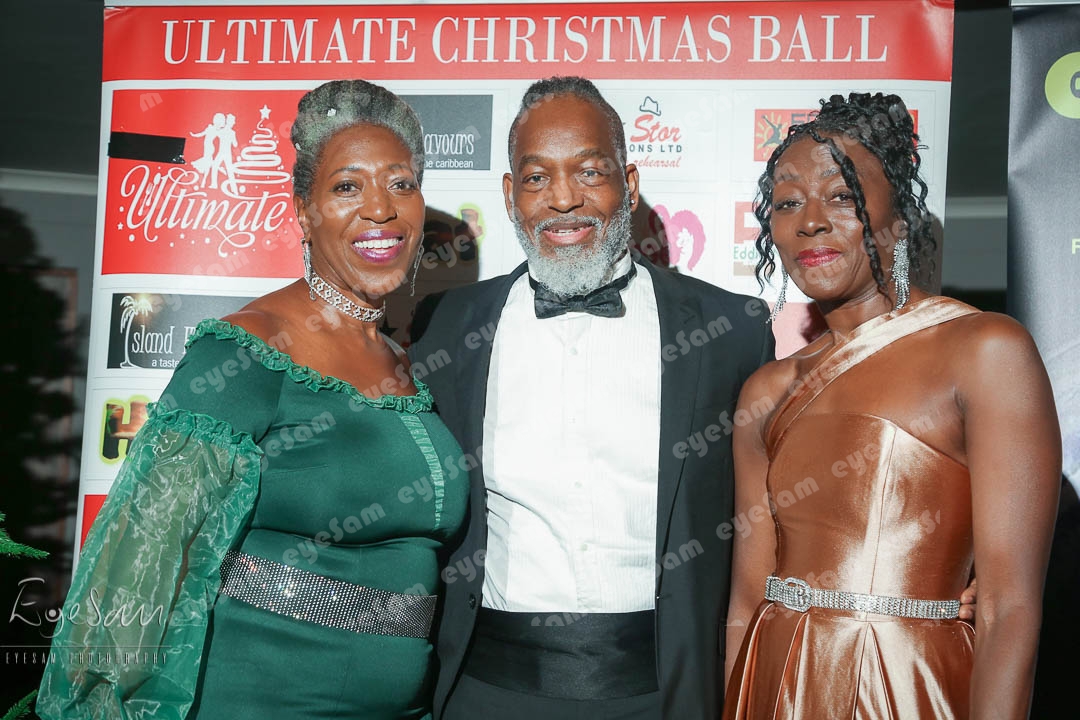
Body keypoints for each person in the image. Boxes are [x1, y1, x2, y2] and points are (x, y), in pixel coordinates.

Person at [37, 79, 467, 720]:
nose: (380, 208)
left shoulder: (404, 361)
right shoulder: (244, 351)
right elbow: (140, 564)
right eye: (347, 187)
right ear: (304, 213)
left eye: (400, 184)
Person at [409, 76, 775, 720]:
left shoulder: (730, 330)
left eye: (589, 171)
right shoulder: (445, 326)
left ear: (628, 184)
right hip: (484, 692)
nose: (563, 199)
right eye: (537, 178)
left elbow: (777, 508)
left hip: (666, 693)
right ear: (510, 194)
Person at [722, 92, 1060, 719]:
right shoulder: (765, 392)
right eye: (788, 202)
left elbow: (1009, 609)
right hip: (775, 684)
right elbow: (746, 604)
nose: (810, 221)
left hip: (906, 683)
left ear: (898, 218)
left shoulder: (985, 350)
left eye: (842, 196)